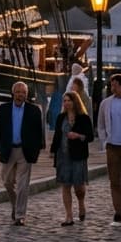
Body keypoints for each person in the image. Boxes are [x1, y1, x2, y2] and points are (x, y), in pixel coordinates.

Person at [0, 80, 45, 226]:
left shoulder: (34, 110)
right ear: (13, 93)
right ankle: (15, 205)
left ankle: (20, 215)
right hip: (8, 149)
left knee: (22, 185)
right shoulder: (4, 109)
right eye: (18, 92)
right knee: (7, 182)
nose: (20, 95)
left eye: (23, 93)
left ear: (26, 95)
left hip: (24, 151)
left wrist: (37, 150)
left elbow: (39, 133)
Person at [49, 91, 94, 225]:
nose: (67, 103)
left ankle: (81, 204)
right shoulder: (61, 117)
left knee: (79, 187)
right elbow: (57, 135)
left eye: (69, 100)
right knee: (66, 185)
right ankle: (69, 216)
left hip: (78, 156)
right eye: (65, 101)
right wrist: (52, 151)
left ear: (75, 102)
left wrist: (78, 136)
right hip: (63, 156)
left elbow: (90, 137)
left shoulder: (84, 118)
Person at [96, 72, 121, 227]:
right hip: (112, 146)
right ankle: (118, 212)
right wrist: (104, 141)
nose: (112, 88)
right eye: (111, 85)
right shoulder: (106, 103)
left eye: (115, 85)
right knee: (114, 181)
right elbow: (101, 123)